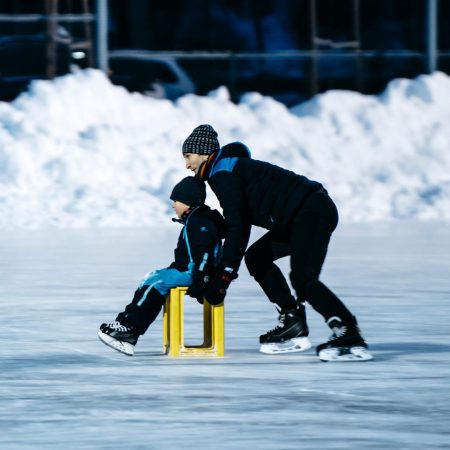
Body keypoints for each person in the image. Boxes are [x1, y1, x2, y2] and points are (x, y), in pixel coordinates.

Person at [181, 124, 372, 361]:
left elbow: (238, 227)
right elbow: (238, 220)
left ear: (204, 152)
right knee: (257, 258)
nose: (187, 165)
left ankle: (348, 332)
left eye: (188, 157)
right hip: (298, 216)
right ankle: (293, 320)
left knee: (303, 279)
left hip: (311, 211)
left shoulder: (223, 173)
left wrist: (223, 276)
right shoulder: (227, 169)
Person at [98, 176, 225, 356]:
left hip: (195, 273)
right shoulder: (195, 221)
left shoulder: (200, 223)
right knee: (152, 277)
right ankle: (127, 325)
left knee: (157, 282)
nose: (173, 205)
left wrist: (201, 280)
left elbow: (205, 255)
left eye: (176, 201)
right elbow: (188, 254)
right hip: (189, 270)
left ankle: (129, 328)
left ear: (188, 202)